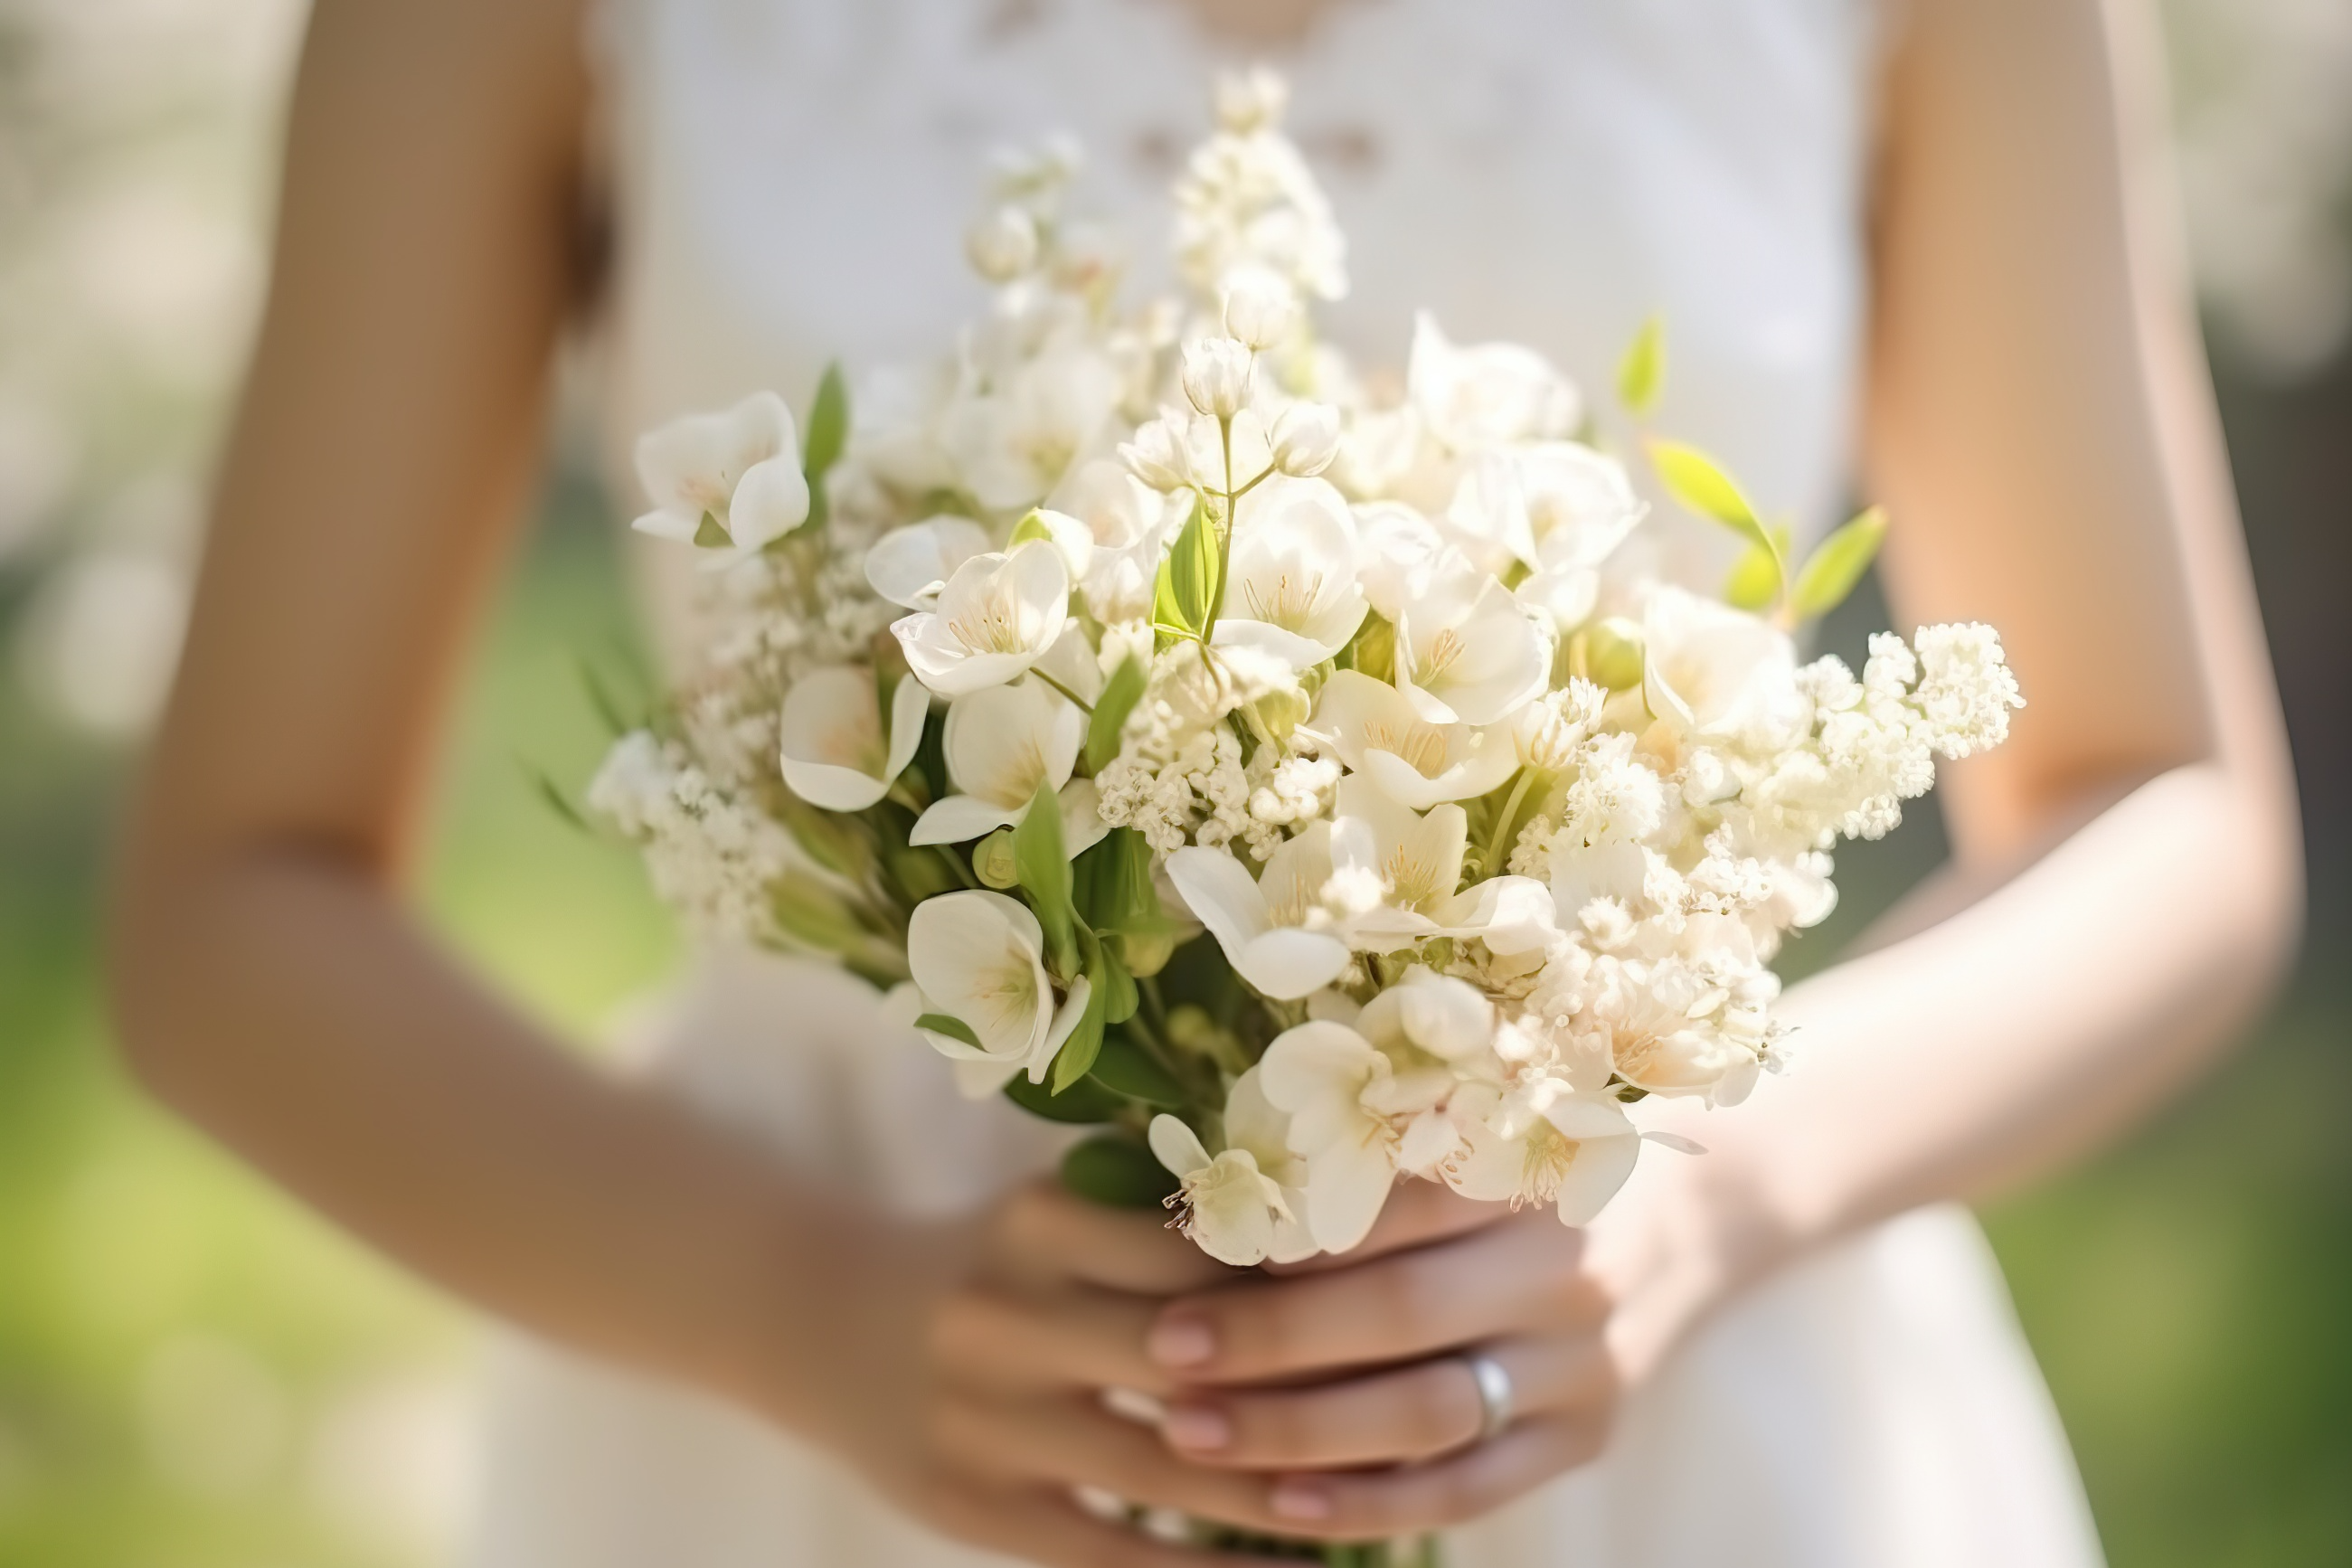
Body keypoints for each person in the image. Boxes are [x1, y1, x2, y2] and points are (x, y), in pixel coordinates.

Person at [109, 0, 2302, 1563]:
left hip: (1664, 1403)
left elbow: (2162, 804)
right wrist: (804, 1306)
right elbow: (232, 906)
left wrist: (1705, 1194)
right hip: (821, 1418)